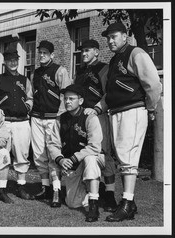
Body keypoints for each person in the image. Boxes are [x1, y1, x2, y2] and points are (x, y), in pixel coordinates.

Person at [97, 22, 162, 222]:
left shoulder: (136, 53)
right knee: (123, 157)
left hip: (133, 110)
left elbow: (152, 83)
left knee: (128, 157)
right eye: (108, 37)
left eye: (114, 36)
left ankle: (127, 203)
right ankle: (128, 203)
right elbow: (110, 94)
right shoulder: (115, 59)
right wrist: (98, 108)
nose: (110, 40)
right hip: (116, 111)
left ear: (125, 36)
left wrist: (150, 108)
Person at [47, 84, 105, 222]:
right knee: (73, 204)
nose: (67, 101)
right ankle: (93, 187)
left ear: (80, 100)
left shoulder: (90, 118)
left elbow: (95, 146)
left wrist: (73, 158)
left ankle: (93, 204)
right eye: (65, 98)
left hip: (91, 160)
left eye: (71, 99)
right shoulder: (60, 119)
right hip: (73, 166)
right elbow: (52, 144)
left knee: (90, 158)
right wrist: (61, 159)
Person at [74, 39, 117, 212]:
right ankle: (92, 190)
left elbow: (110, 93)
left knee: (104, 153)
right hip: (82, 118)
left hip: (98, 116)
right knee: (86, 152)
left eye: (88, 50)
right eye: (82, 51)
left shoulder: (104, 68)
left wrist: (98, 108)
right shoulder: (80, 71)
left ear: (97, 52)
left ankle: (110, 194)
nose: (84, 53)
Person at [0, 47, 34, 200]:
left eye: (15, 60)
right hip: (4, 123)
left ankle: (21, 187)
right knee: (0, 154)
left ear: (18, 61)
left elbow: (30, 98)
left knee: (22, 154)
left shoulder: (25, 80)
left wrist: (26, 106)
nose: (12, 63)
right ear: (5, 62)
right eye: (9, 60)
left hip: (22, 122)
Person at [31, 40, 72, 207]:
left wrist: (60, 117)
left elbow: (67, 96)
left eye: (45, 53)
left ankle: (56, 190)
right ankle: (45, 187)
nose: (42, 55)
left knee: (53, 153)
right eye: (40, 52)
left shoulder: (60, 71)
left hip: (53, 117)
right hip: (36, 117)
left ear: (52, 55)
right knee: (39, 154)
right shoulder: (35, 73)